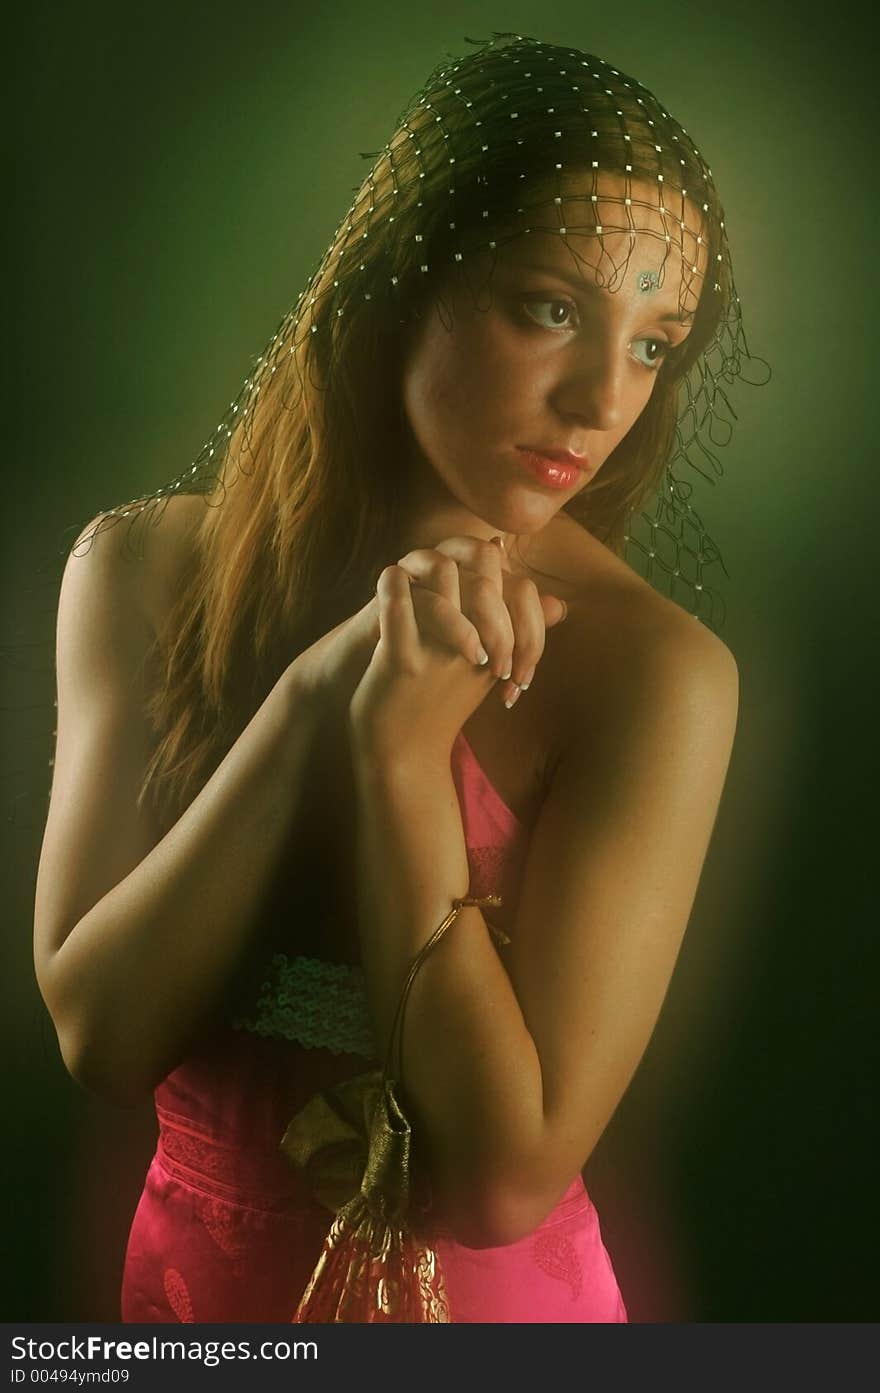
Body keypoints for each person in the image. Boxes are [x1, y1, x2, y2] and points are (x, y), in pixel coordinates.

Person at [33, 33, 758, 1322]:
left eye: (655, 345)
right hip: (189, 1308)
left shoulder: (654, 673)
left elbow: (498, 1181)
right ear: (395, 282)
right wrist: (317, 695)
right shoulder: (141, 570)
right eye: (551, 308)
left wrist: (399, 760)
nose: (602, 398)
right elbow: (99, 1032)